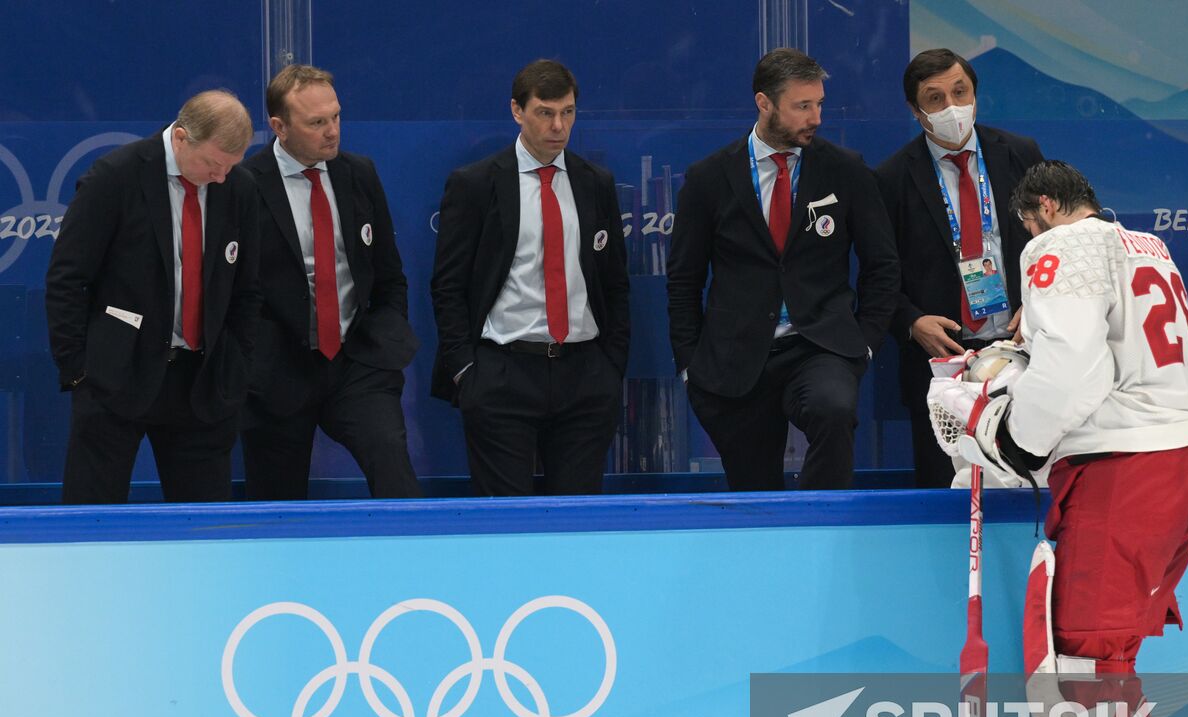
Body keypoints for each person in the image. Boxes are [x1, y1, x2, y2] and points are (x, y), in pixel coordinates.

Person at [927, 160, 1188, 717]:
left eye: (1030, 226)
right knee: (1111, 663)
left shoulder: (1058, 243)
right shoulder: (1146, 244)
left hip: (1129, 474)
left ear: (1046, 209)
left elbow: (1071, 370)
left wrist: (1006, 434)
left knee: (1075, 664)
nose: (1031, 243)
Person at [667, 48, 899, 491]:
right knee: (755, 495)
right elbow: (684, 279)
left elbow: (882, 265)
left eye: (819, 104)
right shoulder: (709, 178)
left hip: (819, 347)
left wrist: (864, 343)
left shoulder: (845, 171)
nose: (815, 118)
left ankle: (820, 527)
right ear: (764, 103)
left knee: (833, 409)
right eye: (802, 106)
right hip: (736, 360)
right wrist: (689, 365)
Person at [45, 90, 260, 504]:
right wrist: (78, 371)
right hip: (114, 378)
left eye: (230, 167)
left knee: (206, 531)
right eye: (213, 164)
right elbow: (67, 278)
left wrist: (235, 366)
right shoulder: (116, 176)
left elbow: (247, 290)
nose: (220, 177)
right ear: (181, 137)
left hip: (202, 387)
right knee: (94, 522)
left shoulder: (239, 188)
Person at [430, 59, 629, 496]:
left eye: (568, 112)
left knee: (577, 522)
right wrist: (466, 371)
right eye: (545, 112)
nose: (559, 125)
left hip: (584, 374)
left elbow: (614, 282)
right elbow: (448, 286)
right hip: (502, 373)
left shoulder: (596, 182)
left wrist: (610, 366)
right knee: (508, 524)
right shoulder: (476, 184)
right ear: (517, 111)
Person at [239, 65, 421, 501]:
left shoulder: (360, 173)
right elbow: (234, 290)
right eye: (317, 123)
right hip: (278, 370)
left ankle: (413, 563)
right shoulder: (244, 184)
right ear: (279, 127)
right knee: (276, 504)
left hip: (356, 361)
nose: (332, 132)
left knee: (395, 473)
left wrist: (385, 340)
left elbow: (389, 274)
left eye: (336, 117)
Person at [875, 48, 1044, 488]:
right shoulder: (891, 178)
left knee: (1030, 486)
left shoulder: (1020, 154)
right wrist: (911, 321)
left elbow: (1051, 243)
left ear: (976, 95)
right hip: (942, 362)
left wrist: (1043, 304)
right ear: (916, 111)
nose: (952, 106)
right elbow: (877, 275)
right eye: (935, 98)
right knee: (945, 494)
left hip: (1023, 348)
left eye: (960, 91)